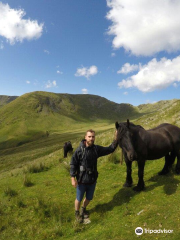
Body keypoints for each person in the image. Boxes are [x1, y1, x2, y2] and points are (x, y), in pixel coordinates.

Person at [70, 129, 117, 223]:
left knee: (89, 198)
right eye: (89, 136)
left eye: (93, 136)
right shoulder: (79, 150)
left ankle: (83, 209)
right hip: (81, 180)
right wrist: (72, 178)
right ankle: (77, 213)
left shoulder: (96, 149)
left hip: (92, 180)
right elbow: (73, 164)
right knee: (78, 198)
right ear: (85, 137)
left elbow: (110, 149)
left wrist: (116, 139)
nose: (91, 138)